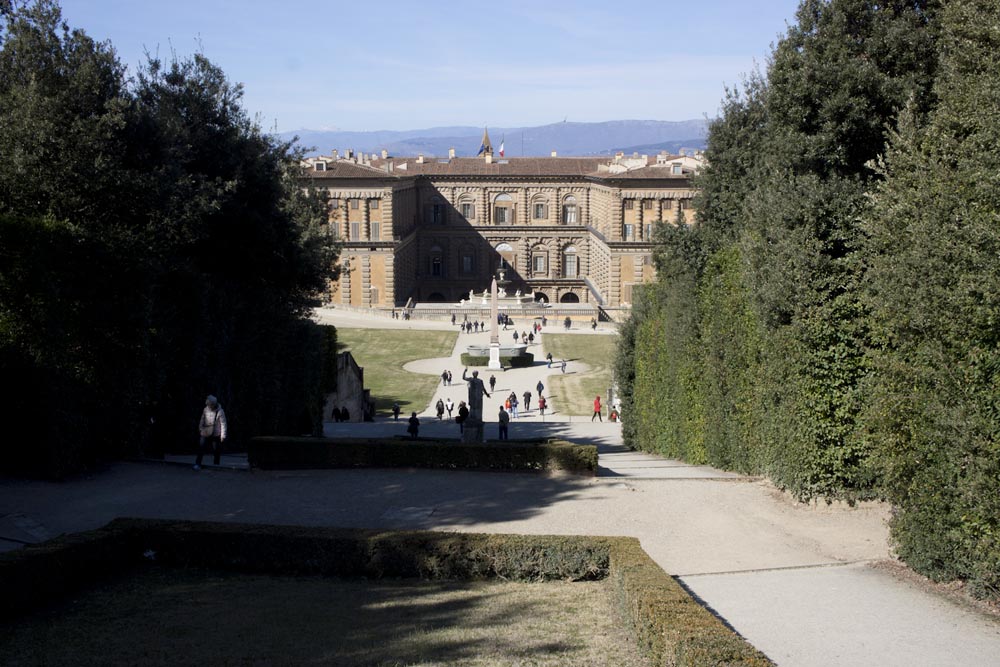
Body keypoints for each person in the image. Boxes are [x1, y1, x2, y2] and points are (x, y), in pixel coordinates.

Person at [194, 394, 227, 470]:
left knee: (216, 451)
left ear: (213, 404)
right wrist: (200, 428)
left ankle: (216, 465)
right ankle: (198, 463)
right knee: (201, 448)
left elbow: (223, 424)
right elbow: (202, 419)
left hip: (216, 434)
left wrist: (223, 435)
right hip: (205, 432)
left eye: (209, 404)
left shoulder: (220, 411)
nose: (208, 405)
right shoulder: (205, 409)